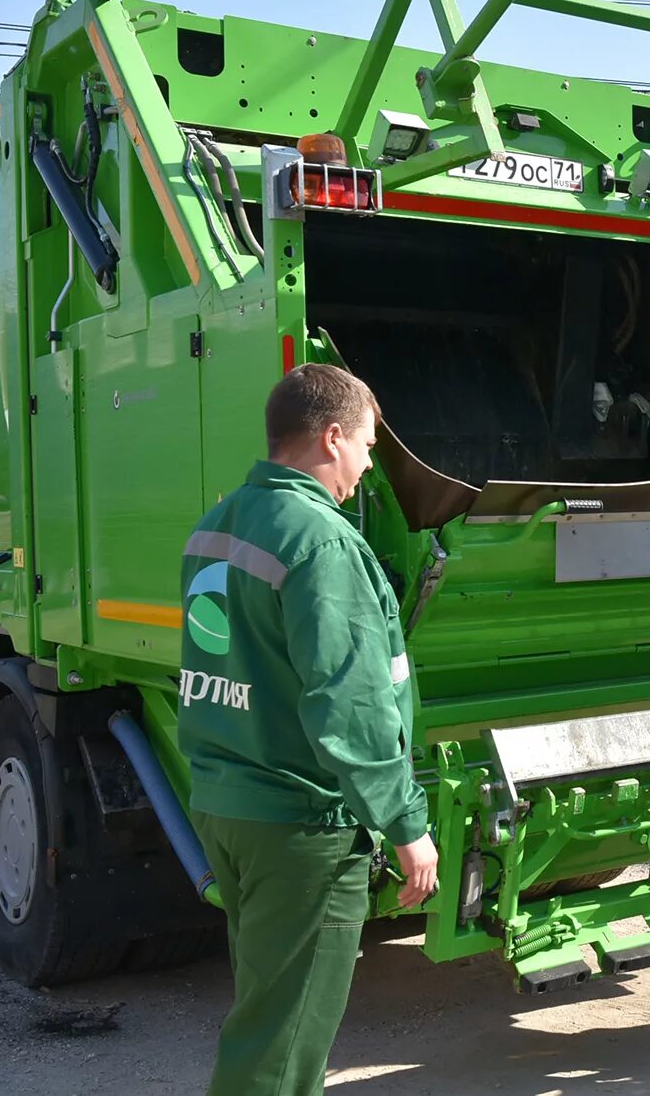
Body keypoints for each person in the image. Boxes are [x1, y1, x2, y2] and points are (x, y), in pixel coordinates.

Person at [179, 363, 439, 1096]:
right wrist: (404, 820)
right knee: (280, 1048)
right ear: (331, 436)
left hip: (229, 804)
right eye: (365, 444)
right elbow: (348, 702)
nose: (365, 466)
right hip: (300, 824)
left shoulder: (218, 523)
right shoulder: (322, 542)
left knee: (270, 1015)